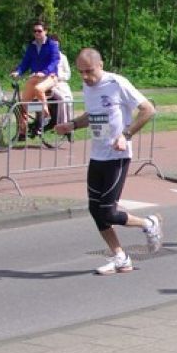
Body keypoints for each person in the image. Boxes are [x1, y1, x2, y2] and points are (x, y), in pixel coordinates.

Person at [53, 49, 163, 275]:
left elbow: (148, 110)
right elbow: (93, 115)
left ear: (101, 65)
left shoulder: (117, 83)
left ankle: (149, 224)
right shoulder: (87, 87)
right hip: (97, 155)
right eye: (81, 72)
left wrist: (126, 135)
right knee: (95, 210)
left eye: (89, 71)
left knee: (108, 212)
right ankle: (120, 257)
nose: (85, 77)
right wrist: (72, 125)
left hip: (117, 156)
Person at [10, 20, 61, 137]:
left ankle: (47, 116)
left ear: (45, 31)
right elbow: (25, 62)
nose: (37, 33)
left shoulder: (52, 44)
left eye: (39, 31)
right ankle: (22, 132)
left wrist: (44, 72)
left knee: (39, 89)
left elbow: (55, 61)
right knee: (23, 104)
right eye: (35, 31)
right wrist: (18, 72)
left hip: (50, 76)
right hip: (35, 77)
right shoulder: (31, 46)